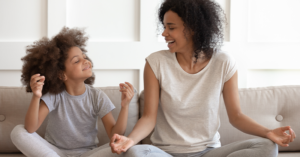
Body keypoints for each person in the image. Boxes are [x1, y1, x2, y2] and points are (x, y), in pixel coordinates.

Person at [109, 0, 296, 157]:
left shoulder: (224, 63)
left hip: (209, 152)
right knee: (136, 152)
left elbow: (236, 116)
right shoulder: (155, 62)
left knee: (267, 147)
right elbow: (149, 117)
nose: (164, 33)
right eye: (164, 27)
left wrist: (268, 132)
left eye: (171, 27)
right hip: (165, 153)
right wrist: (131, 140)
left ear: (193, 28)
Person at [10, 27, 134, 157]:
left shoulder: (97, 96)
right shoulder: (54, 96)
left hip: (88, 154)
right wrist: (36, 97)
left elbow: (114, 136)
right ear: (62, 75)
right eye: (77, 60)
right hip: (55, 152)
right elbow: (30, 128)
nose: (86, 61)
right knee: (17, 131)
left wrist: (125, 106)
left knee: (125, 146)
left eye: (84, 57)